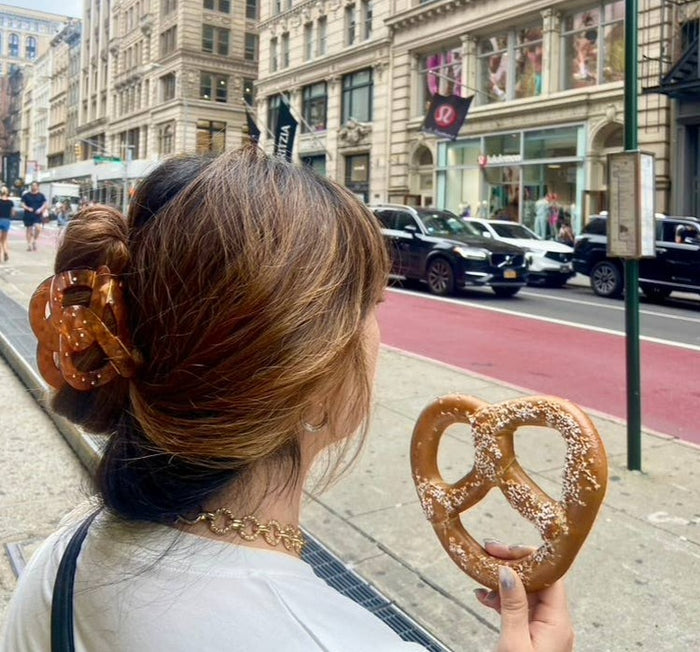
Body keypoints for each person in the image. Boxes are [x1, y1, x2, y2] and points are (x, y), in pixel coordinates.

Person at [0, 148, 574, 652]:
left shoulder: (59, 561)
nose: (379, 338)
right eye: (371, 306)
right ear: (308, 372)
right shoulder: (341, 640)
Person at [20, 181, 47, 251]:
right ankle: (29, 245)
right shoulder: (26, 195)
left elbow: (45, 204)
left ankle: (34, 240)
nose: (33, 187)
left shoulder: (41, 195)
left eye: (35, 185)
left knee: (38, 228)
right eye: (32, 185)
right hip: (28, 215)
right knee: (29, 229)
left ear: (38, 187)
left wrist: (40, 209)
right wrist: (27, 208)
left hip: (37, 215)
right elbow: (22, 204)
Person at [0, 186, 13, 261]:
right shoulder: (10, 202)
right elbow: (12, 213)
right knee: (4, 239)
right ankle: (5, 252)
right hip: (6, 221)